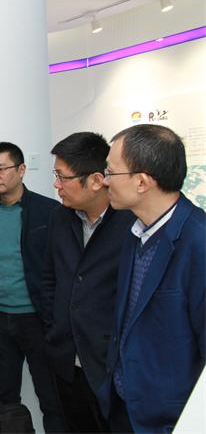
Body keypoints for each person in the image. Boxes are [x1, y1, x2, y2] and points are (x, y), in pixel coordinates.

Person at [98, 124, 205, 432]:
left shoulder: (198, 242)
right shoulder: (134, 232)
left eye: (111, 172)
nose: (104, 181)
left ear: (142, 182)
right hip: (125, 408)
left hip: (172, 419)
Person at [41, 132, 135, 432]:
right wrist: (54, 325)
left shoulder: (131, 223)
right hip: (67, 361)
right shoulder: (59, 218)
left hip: (112, 365)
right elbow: (49, 278)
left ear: (96, 180)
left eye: (62, 177)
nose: (56, 185)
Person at [0, 142, 65, 432]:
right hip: (0, 320)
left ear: (22, 169)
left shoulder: (49, 210)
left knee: (51, 397)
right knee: (5, 398)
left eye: (1, 168)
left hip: (38, 319)